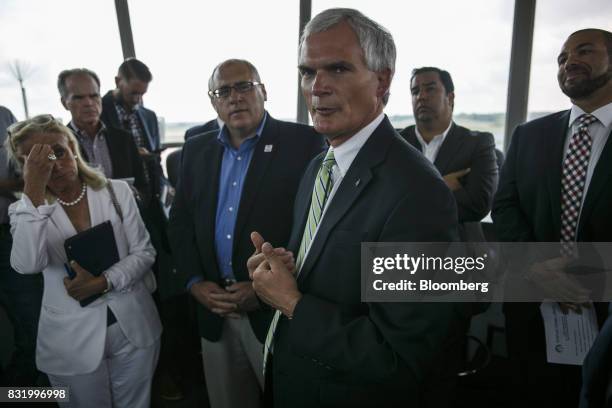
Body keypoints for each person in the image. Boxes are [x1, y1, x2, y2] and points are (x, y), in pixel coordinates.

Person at [249, 8, 469, 408]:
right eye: (307, 72)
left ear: (382, 80)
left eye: (337, 69)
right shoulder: (320, 164)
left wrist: (292, 302)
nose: (317, 88)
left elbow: (397, 355)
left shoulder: (419, 194)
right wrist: (286, 270)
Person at [168, 58, 324, 408]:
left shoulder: (304, 143)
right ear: (213, 102)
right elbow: (179, 223)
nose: (234, 97)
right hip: (214, 308)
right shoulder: (196, 147)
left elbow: (313, 227)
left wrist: (266, 287)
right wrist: (193, 282)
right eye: (223, 91)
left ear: (263, 91)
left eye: (243, 87)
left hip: (273, 310)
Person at [492, 28, 612, 407]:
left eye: (585, 50)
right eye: (561, 58)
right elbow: (505, 206)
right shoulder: (529, 135)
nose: (568, 62)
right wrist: (540, 265)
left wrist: (582, 277)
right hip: (532, 299)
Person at [7, 114, 161, 407]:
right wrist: (33, 192)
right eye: (38, 161)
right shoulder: (23, 211)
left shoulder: (116, 191)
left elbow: (144, 253)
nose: (52, 164)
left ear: (73, 148)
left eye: (58, 151)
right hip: (71, 341)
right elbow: (28, 264)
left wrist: (104, 282)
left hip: (133, 326)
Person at [400, 67, 498, 224]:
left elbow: (478, 206)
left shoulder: (478, 144)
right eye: (415, 91)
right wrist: (441, 186)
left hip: (454, 244)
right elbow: (379, 202)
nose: (421, 96)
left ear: (450, 98)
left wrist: (410, 198)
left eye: (430, 89)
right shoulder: (396, 142)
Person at [57, 68, 148, 201]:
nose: (88, 103)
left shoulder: (124, 139)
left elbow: (143, 185)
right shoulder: (58, 144)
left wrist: (135, 198)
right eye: (79, 98)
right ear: (65, 103)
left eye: (94, 96)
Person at [0, 105, 43, 386]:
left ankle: (34, 394)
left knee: (31, 321)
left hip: (7, 234)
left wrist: (31, 178)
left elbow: (23, 163)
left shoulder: (4, 115)